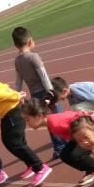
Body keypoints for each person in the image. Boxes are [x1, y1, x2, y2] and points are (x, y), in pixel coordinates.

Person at [20, 99, 94, 187]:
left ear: (39, 116)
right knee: (65, 155)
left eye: (27, 119)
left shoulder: (56, 123)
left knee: (76, 155)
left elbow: (83, 118)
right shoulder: (51, 123)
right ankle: (92, 170)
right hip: (80, 137)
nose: (27, 124)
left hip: (91, 133)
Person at [11, 26, 65, 159]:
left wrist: (18, 95)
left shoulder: (17, 60)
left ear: (16, 45)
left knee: (49, 122)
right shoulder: (33, 57)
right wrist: (52, 93)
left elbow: (18, 81)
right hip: (46, 93)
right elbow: (44, 77)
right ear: (30, 41)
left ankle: (58, 148)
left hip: (35, 97)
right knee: (58, 119)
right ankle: (66, 145)